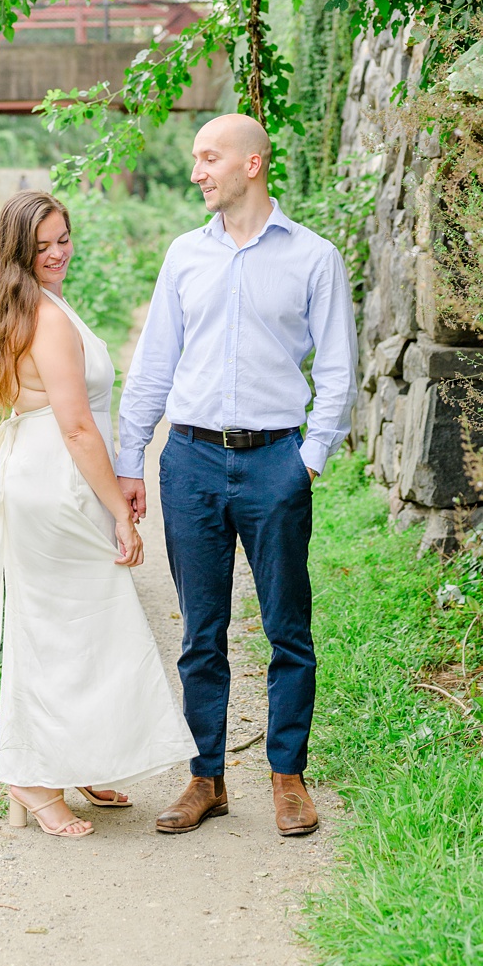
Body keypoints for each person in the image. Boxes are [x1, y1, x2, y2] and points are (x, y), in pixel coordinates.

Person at [115, 113, 357, 840]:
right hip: (188, 460)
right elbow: (154, 363)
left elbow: (339, 370)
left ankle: (288, 778)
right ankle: (206, 778)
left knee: (288, 627)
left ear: (252, 164)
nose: (197, 172)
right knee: (201, 633)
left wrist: (307, 461)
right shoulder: (184, 256)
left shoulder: (314, 257)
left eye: (208, 158)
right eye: (196, 159)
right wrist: (131, 460)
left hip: (274, 460)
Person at [0, 190, 198, 838]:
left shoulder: (35, 305)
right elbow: (78, 428)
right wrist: (120, 507)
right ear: (20, 253)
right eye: (44, 246)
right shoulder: (48, 318)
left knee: (81, 629)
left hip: (48, 480)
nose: (59, 252)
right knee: (71, 629)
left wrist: (115, 491)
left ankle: (74, 757)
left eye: (64, 238)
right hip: (57, 486)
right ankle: (31, 779)